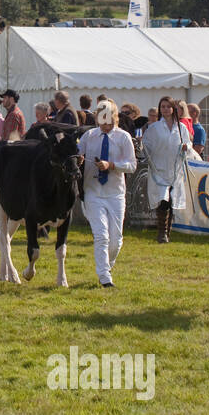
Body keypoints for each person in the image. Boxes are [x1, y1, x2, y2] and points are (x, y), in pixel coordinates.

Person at [78, 101, 138, 288]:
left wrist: (112, 165)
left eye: (108, 120)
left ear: (114, 118)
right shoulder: (88, 136)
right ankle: (104, 277)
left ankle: (107, 266)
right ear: (96, 118)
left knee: (116, 240)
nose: (105, 125)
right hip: (93, 192)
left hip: (115, 193)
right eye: (101, 120)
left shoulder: (123, 137)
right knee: (101, 235)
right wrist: (78, 159)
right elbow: (78, 156)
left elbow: (132, 165)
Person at [141, 95, 190, 243]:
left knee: (172, 199)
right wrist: (143, 148)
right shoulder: (154, 128)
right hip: (159, 168)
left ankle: (167, 231)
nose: (166, 110)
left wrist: (186, 147)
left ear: (173, 109)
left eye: (168, 107)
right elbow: (146, 145)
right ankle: (161, 232)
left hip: (175, 169)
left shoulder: (181, 128)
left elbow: (188, 144)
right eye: (163, 107)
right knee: (162, 199)